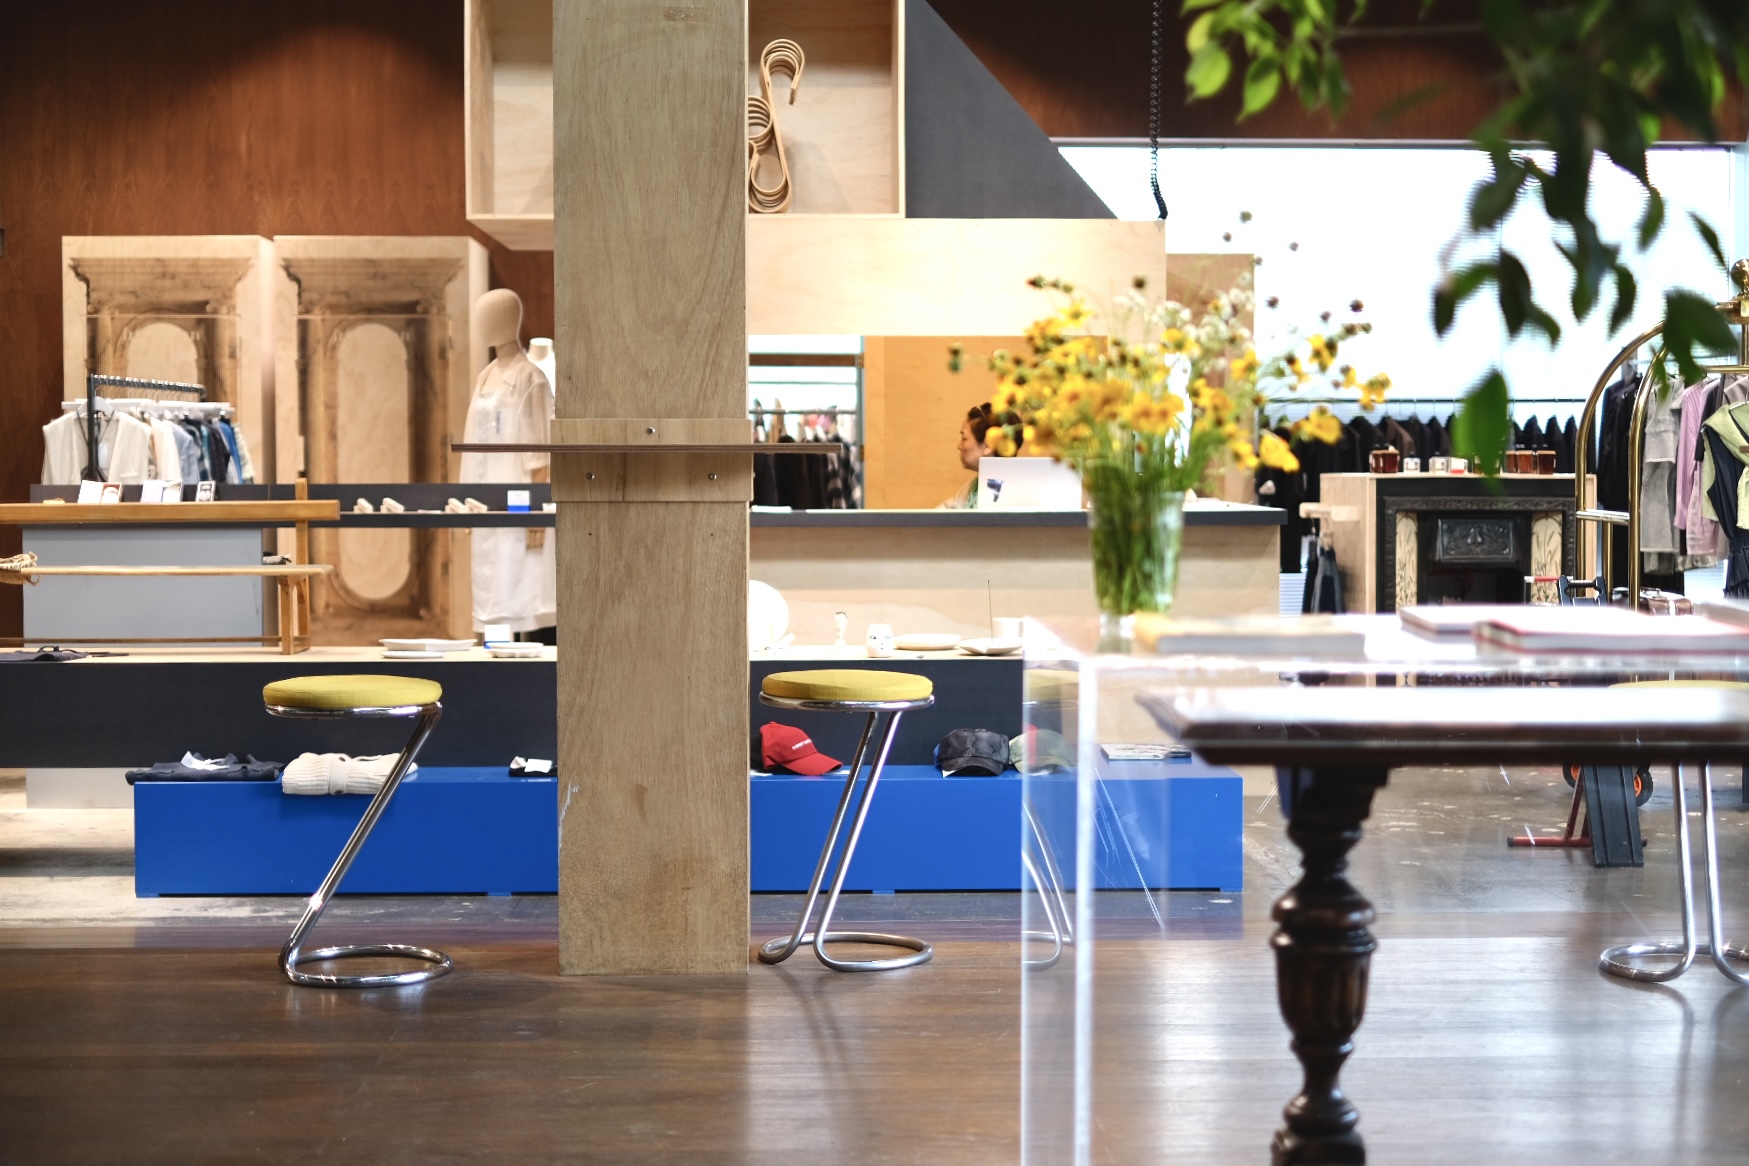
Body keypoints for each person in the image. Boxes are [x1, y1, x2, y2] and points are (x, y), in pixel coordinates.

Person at [940, 402, 1018, 509]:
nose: (959, 446)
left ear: (987, 445)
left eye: (964, 438)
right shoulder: (972, 488)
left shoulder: (1010, 492)